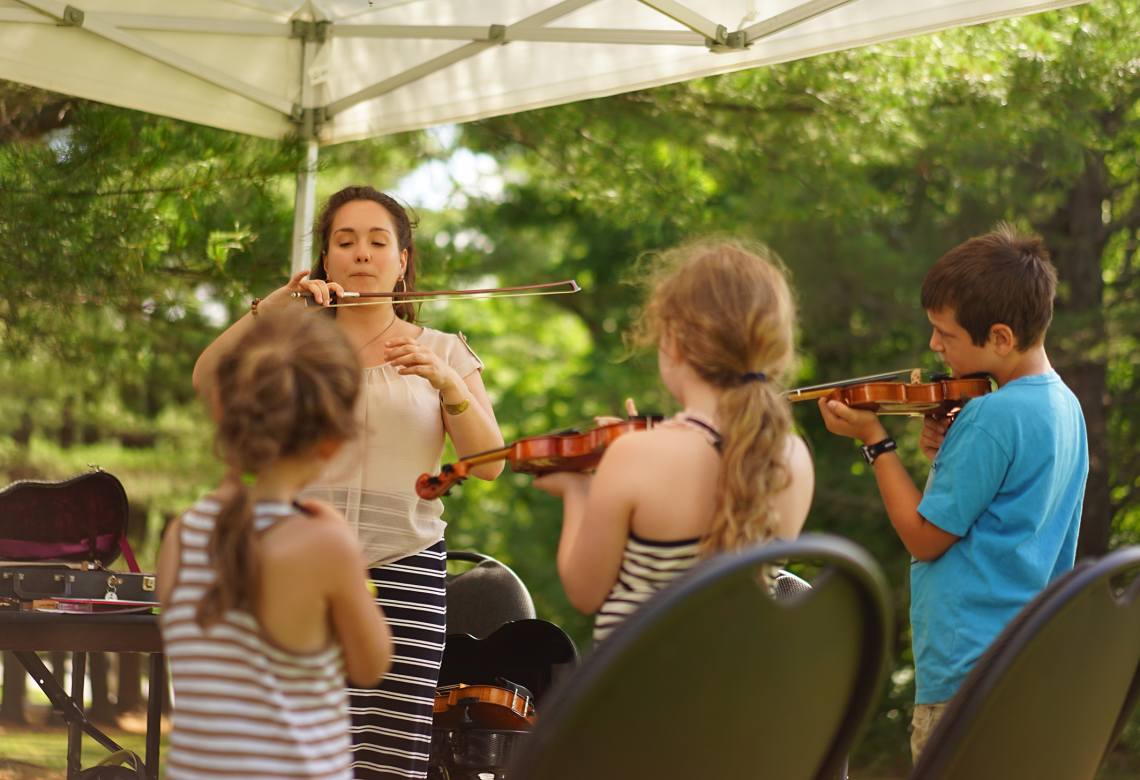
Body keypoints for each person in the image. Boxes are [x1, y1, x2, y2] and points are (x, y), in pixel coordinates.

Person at [192, 186, 503, 780]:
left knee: (389, 757)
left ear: (403, 260)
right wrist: (276, 304)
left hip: (404, 574)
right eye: (345, 241)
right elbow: (208, 378)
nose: (362, 253)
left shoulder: (443, 350)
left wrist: (450, 387)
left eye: (378, 241)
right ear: (325, 260)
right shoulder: (294, 347)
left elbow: (489, 464)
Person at [818, 223, 1088, 762]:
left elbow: (923, 538)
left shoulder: (989, 415)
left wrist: (876, 442)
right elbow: (1000, 509)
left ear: (1000, 338)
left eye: (946, 333)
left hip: (966, 669)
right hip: (1023, 664)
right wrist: (942, 458)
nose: (933, 345)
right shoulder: (1066, 407)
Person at [531, 240, 815, 643]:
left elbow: (585, 591)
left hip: (642, 698)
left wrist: (579, 488)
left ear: (674, 341)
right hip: (740, 697)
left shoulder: (635, 455)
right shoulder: (793, 455)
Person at [158, 312, 393, 780]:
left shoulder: (181, 534)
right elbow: (371, 664)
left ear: (221, 407)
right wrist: (353, 563)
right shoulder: (325, 544)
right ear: (331, 441)